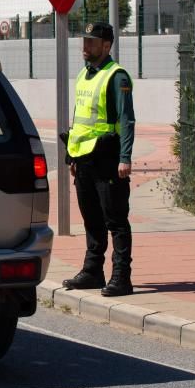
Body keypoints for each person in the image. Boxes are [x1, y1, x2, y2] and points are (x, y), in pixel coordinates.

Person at [61, 22, 136, 297]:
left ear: (107, 45)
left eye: (91, 42)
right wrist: (72, 154)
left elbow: (127, 120)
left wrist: (125, 158)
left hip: (107, 157)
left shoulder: (117, 77)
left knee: (115, 220)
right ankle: (93, 272)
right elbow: (80, 117)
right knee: (91, 219)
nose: (85, 46)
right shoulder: (84, 74)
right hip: (83, 159)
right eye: (84, 41)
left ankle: (121, 278)